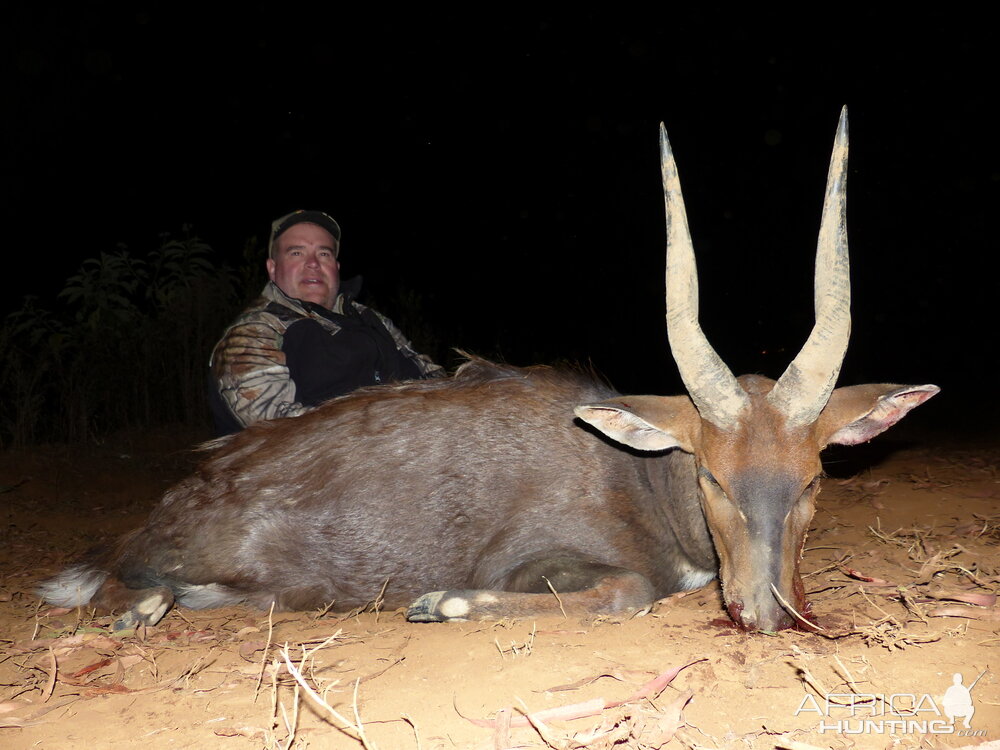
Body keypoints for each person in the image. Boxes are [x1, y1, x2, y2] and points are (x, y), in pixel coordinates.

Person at [209, 209, 444, 435]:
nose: (313, 263)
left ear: (336, 268)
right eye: (296, 253)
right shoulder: (253, 332)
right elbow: (277, 432)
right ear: (272, 268)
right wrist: (389, 431)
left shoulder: (372, 319)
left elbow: (434, 378)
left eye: (324, 253)